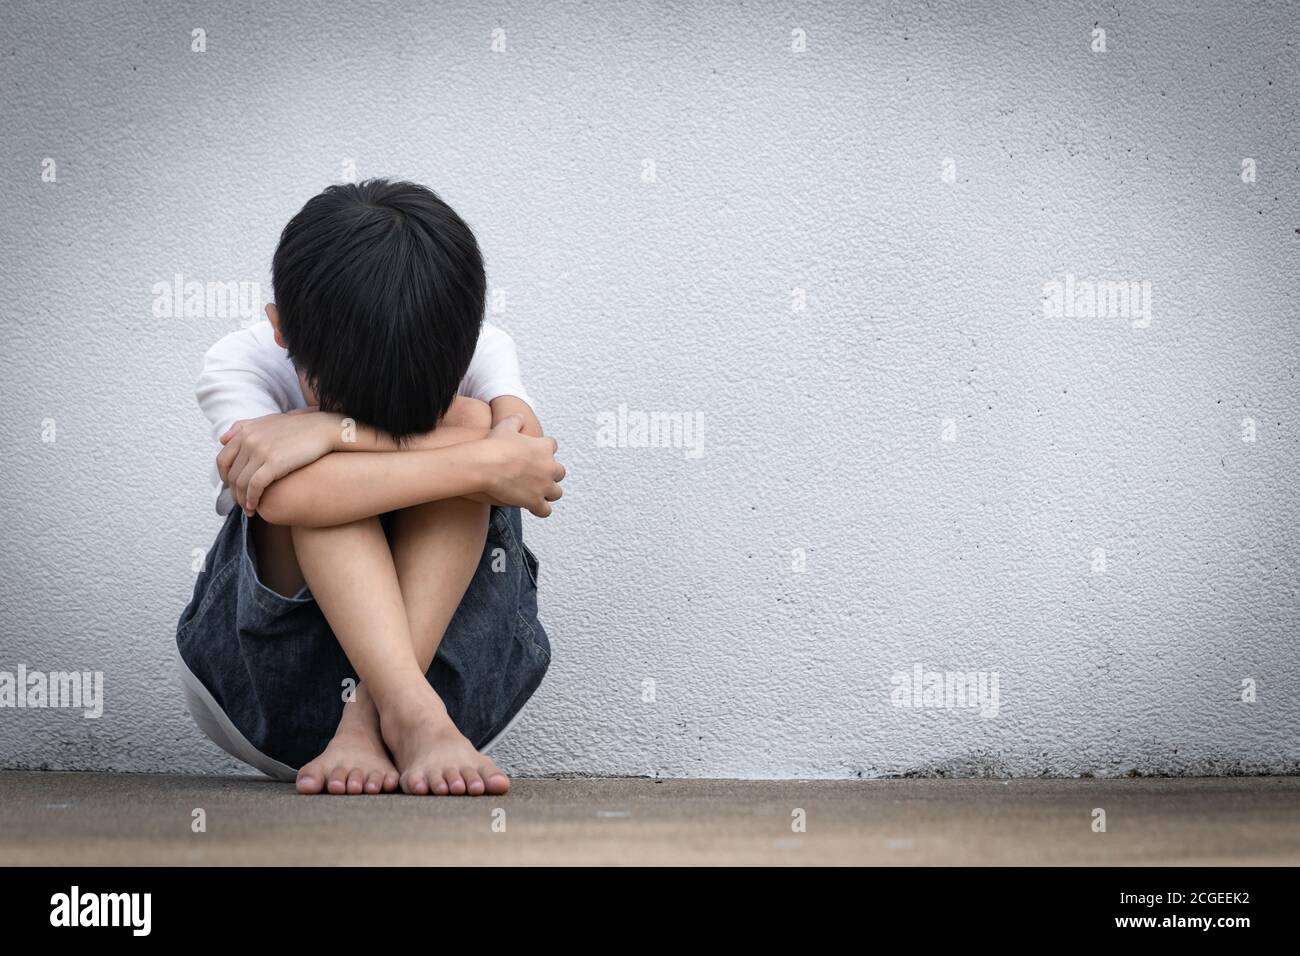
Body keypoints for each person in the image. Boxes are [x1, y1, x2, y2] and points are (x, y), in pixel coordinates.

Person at [175, 179, 564, 796]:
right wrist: (469, 448)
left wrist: (327, 428)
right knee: (321, 485)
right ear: (280, 329)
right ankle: (404, 704)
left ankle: (382, 714)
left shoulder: (474, 342)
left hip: (454, 700)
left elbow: (525, 446)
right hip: (270, 687)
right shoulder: (240, 361)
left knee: (460, 465)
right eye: (335, 399)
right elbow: (288, 499)